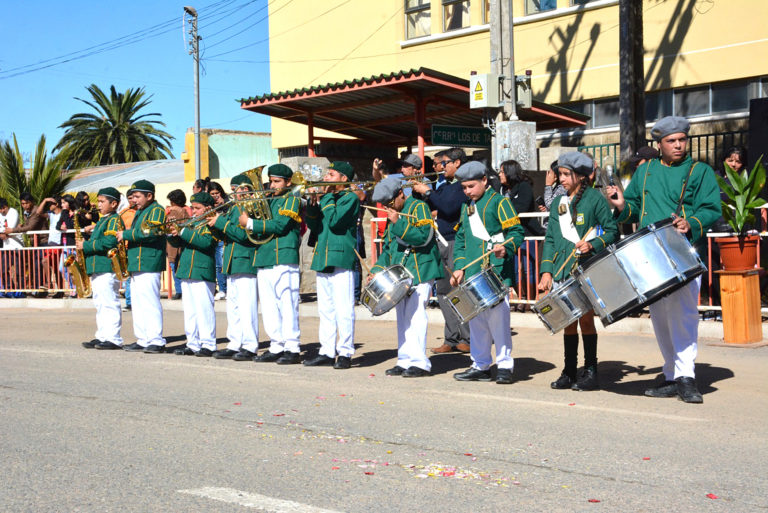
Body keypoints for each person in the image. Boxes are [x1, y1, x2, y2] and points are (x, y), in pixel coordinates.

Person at [606, 115, 721, 403]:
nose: (679, 145)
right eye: (672, 141)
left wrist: (691, 222)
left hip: (682, 252)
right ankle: (671, 374)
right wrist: (621, 204)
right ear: (659, 144)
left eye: (682, 139)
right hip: (649, 253)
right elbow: (632, 207)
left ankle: (686, 376)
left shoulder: (700, 171)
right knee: (660, 317)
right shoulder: (645, 173)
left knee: (683, 315)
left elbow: (711, 208)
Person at [538, 152, 619, 391]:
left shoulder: (595, 198)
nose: (561, 179)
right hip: (562, 270)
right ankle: (569, 371)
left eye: (565, 174)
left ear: (581, 176)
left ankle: (591, 370)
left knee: (585, 320)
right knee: (568, 321)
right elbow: (550, 239)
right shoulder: (559, 203)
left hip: (586, 268)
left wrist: (592, 244)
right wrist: (546, 271)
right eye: (560, 174)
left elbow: (613, 231)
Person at [450, 161, 525, 384]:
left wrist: (506, 247)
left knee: (498, 321)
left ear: (484, 180)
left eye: (471, 186)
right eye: (464, 187)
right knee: (477, 322)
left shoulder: (500, 203)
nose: (467, 191)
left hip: (495, 270)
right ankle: (480, 364)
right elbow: (462, 240)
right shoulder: (466, 208)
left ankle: (504, 365)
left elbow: (516, 232)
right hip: (472, 270)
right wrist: (459, 267)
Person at [368, 176, 443, 377]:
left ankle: (420, 363)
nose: (387, 207)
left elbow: (423, 238)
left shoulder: (418, 207)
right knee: (402, 318)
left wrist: (398, 223)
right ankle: (405, 359)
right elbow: (390, 248)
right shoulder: (395, 213)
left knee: (416, 316)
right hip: (400, 274)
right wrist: (376, 269)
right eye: (385, 205)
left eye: (390, 203)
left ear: (401, 193)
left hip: (421, 270)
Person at [239, 164, 303, 364]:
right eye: (271, 181)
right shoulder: (268, 200)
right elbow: (259, 232)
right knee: (268, 307)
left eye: (277, 181)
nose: (272, 185)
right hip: (264, 257)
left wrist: (250, 223)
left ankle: (292, 347)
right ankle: (276, 345)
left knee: (287, 305)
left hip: (284, 257)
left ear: (288, 182)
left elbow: (281, 226)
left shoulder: (292, 199)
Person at [411, 148, 471, 354]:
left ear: (457, 163)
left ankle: (467, 337)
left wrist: (427, 191)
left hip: (456, 241)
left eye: (444, 163)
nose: (440, 167)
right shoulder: (445, 185)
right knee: (444, 291)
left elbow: (448, 207)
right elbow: (430, 206)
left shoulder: (461, 185)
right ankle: (451, 337)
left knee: (458, 290)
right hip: (442, 240)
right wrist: (417, 190)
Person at [303, 161, 360, 369]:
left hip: (340, 257)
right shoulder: (327, 199)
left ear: (344, 179)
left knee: (344, 309)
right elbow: (314, 226)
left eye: (331, 175)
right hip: (322, 257)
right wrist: (312, 204)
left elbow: (336, 222)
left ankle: (345, 352)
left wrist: (324, 198)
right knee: (325, 310)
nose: (325, 178)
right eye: (326, 174)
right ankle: (326, 351)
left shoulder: (350, 198)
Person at [207, 174, 261, 361]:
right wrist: (214, 225)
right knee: (234, 307)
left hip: (246, 261)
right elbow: (227, 234)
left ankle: (250, 345)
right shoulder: (233, 209)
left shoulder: (252, 208)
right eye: (233, 189)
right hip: (232, 262)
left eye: (236, 189)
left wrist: (221, 222)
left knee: (247, 308)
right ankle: (235, 342)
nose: (234, 193)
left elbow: (244, 235)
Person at [116, 180, 167, 353]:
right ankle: (143, 338)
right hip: (137, 263)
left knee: (149, 302)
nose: (134, 200)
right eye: (132, 197)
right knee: (138, 303)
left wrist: (127, 234)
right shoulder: (140, 211)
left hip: (149, 262)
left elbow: (151, 232)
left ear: (149, 196)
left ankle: (156, 339)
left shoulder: (157, 210)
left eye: (137, 196)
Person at [170, 192, 218, 357]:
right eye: (193, 208)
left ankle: (209, 344)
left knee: (204, 310)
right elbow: (180, 242)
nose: (195, 211)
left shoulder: (211, 224)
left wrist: (183, 232)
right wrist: (172, 234)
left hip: (202, 271)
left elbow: (206, 243)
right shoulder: (191, 223)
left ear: (208, 208)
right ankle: (193, 343)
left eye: (198, 208)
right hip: (186, 270)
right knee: (190, 311)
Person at [79, 187, 125, 350]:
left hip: (107, 265)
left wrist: (86, 245)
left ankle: (113, 338)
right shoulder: (103, 219)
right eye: (98, 201)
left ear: (113, 204)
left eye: (102, 201)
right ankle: (102, 335)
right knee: (100, 303)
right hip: (97, 266)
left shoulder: (114, 219)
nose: (98, 205)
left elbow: (110, 242)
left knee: (109, 302)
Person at [498, 160, 545, 311]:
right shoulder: (501, 190)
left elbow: (521, 207)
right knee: (516, 269)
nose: (499, 175)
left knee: (528, 268)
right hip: (510, 235)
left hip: (527, 233)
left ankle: (531, 300)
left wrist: (504, 210)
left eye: (502, 171)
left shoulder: (524, 187)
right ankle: (520, 298)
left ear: (510, 172)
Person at [166, 189, 190, 299]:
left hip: (174, 245)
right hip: (179, 243)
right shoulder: (185, 210)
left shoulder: (174, 211)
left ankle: (179, 290)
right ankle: (180, 290)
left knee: (175, 268)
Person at [207, 180, 229, 300]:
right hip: (213, 237)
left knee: (222, 264)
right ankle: (221, 288)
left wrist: (224, 204)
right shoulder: (209, 205)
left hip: (223, 237)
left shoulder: (226, 203)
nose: (215, 196)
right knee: (217, 265)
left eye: (217, 193)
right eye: (212, 193)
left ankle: (225, 289)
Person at [119, 194, 137, 311]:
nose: (132, 200)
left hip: (136, 246)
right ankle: (129, 302)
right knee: (129, 276)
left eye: (134, 198)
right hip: (126, 247)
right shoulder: (124, 212)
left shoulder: (141, 212)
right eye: (129, 198)